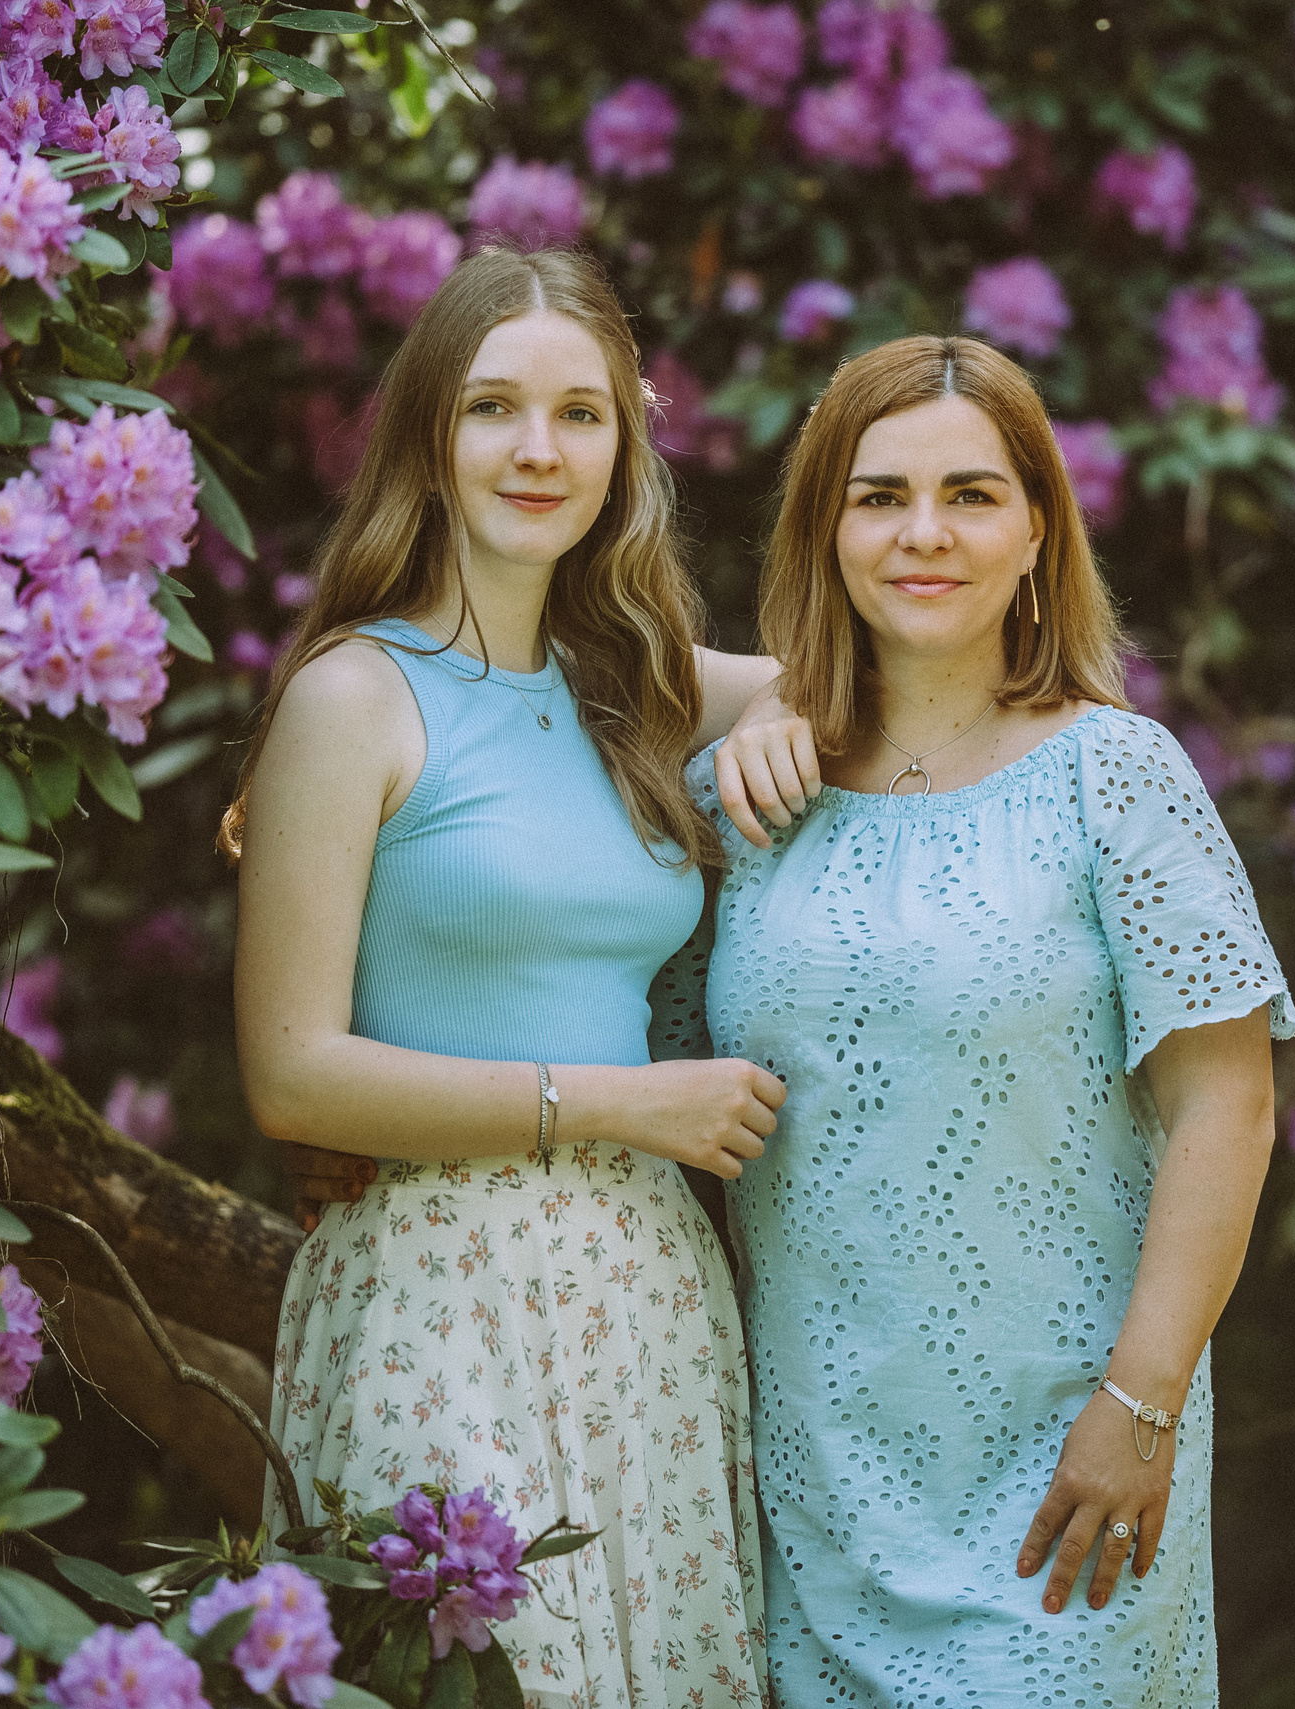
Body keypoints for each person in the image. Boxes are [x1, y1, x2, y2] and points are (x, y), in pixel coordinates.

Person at [225, 246, 805, 1709]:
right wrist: (625, 1103)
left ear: (626, 449)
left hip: (646, 1309)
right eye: (494, 408)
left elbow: (862, 675)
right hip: (437, 1297)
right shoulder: (354, 695)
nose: (539, 450)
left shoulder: (636, 685)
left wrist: (761, 733)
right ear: (431, 434)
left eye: (581, 414)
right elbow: (291, 1074)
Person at [694, 334, 1295, 1706]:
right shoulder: (748, 796)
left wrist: (1138, 1409)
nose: (925, 533)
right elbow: (526, 702)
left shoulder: (1117, 777)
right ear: (826, 527)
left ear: (1038, 529)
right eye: (880, 494)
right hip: (811, 1484)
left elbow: (1230, 1104)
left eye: (970, 494)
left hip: (1070, 1471)